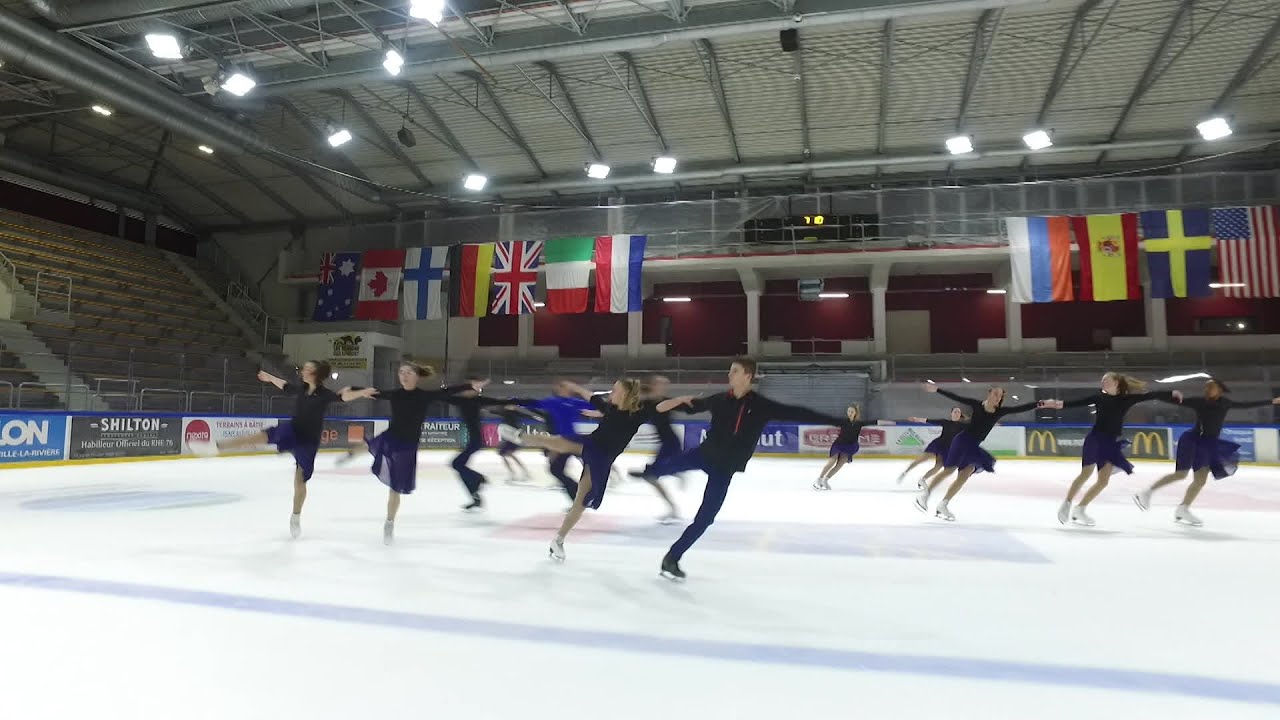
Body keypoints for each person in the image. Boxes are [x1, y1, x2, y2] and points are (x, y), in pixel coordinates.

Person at [642, 356, 850, 580]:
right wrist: (675, 400)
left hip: (724, 468)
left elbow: (798, 412)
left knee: (705, 518)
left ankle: (672, 558)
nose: (729, 375)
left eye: (734, 371)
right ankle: (650, 472)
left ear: (747, 376)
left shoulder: (761, 405)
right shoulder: (719, 399)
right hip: (704, 455)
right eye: (730, 371)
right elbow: (675, 407)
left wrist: (839, 421)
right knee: (663, 467)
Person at [498, 379, 654, 562]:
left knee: (580, 502)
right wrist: (574, 388)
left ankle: (559, 540)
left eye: (615, 390)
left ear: (625, 394)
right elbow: (590, 396)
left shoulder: (636, 415)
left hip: (601, 460)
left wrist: (682, 400)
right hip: (591, 446)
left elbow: (661, 406)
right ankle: (521, 437)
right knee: (561, 443)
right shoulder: (609, 408)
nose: (611, 392)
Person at [190, 361, 345, 539]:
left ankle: (295, 516)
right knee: (262, 436)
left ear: (315, 373)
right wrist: (269, 377)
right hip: (292, 430)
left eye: (307, 368)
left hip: (308, 442)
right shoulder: (301, 389)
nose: (303, 370)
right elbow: (285, 386)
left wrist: (359, 392)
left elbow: (341, 397)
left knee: (299, 481)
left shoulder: (325, 395)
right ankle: (216, 447)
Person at [341, 365, 477, 544]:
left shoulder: (424, 396)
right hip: (391, 437)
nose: (404, 376)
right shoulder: (395, 394)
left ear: (417, 376)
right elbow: (375, 392)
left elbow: (447, 391)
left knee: (395, 487)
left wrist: (469, 386)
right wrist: (354, 389)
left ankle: (389, 522)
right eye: (401, 373)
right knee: (370, 443)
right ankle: (352, 452)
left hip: (408, 446)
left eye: (408, 372)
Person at [1133, 378, 1280, 526]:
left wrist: (1272, 401)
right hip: (1193, 441)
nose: (1207, 390)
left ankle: (1183, 508)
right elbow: (1174, 401)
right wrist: (1157, 394)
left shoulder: (1225, 403)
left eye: (1211, 387)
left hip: (1208, 444)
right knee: (1181, 474)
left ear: (1220, 389)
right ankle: (1146, 493)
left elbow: (1245, 405)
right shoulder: (1200, 402)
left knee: (1200, 480)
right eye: (1206, 387)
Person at [1042, 373, 1175, 526]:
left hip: (1110, 443)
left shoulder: (1126, 400)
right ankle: (1067, 503)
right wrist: (1053, 403)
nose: (1102, 382)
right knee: (1086, 473)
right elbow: (1073, 403)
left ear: (1116, 382)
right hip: (1095, 439)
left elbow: (1152, 395)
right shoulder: (1099, 398)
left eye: (1106, 380)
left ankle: (1081, 509)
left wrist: (1171, 393)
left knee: (1103, 481)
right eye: (1102, 380)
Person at [915, 383, 1046, 522]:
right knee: (949, 470)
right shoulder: (977, 405)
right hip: (962, 441)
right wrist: (937, 390)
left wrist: (1039, 404)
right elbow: (957, 397)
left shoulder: (999, 411)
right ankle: (924, 496)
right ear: (989, 393)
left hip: (973, 445)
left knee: (965, 474)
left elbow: (1020, 408)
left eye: (1000, 395)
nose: (997, 397)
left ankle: (943, 504)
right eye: (995, 393)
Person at [512, 381, 596, 500]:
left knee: (560, 468)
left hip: (571, 441)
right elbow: (534, 404)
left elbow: (596, 405)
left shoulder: (574, 402)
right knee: (556, 469)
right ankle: (578, 495)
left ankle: (581, 494)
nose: (559, 387)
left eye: (562, 385)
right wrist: (514, 401)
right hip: (564, 441)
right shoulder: (553, 402)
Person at [444, 379, 508, 511]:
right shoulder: (461, 401)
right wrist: (461, 386)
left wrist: (519, 402)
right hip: (473, 440)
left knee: (456, 464)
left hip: (476, 440)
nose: (464, 392)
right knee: (460, 467)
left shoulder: (479, 400)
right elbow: (443, 395)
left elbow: (498, 402)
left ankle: (479, 478)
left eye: (468, 389)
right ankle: (475, 497)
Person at [812, 405, 897, 490]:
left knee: (839, 465)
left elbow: (875, 421)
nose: (850, 413)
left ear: (855, 413)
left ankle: (826, 480)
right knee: (832, 461)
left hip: (850, 446)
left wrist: (891, 422)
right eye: (849, 411)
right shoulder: (843, 421)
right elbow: (830, 420)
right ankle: (819, 479)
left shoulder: (859, 423)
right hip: (839, 444)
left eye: (852, 411)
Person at [895, 408, 968, 490]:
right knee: (922, 459)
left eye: (958, 412)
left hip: (948, 449)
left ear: (960, 415)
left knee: (938, 466)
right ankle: (905, 473)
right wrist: (917, 419)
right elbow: (929, 420)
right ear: (951, 413)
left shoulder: (963, 426)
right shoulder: (945, 422)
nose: (957, 413)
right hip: (938, 444)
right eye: (955, 411)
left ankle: (923, 479)